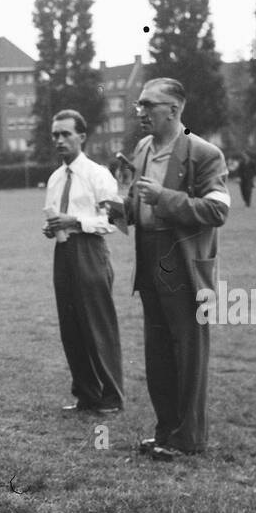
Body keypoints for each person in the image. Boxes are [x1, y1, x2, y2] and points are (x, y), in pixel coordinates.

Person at [118, 77, 229, 461]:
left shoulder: (204, 153)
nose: (141, 112)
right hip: (149, 255)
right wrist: (116, 207)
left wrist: (164, 198)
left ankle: (189, 438)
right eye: (139, 105)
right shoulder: (143, 148)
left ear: (174, 110)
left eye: (149, 105)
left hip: (182, 262)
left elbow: (218, 210)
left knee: (188, 352)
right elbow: (136, 207)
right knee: (158, 351)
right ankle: (165, 431)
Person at [42, 109, 124, 416]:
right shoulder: (55, 178)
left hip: (90, 251)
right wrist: (52, 228)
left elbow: (113, 221)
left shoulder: (97, 174)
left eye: (66, 134)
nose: (60, 140)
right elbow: (54, 215)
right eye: (55, 135)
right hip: (63, 254)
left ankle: (112, 396)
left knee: (97, 324)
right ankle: (86, 394)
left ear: (82, 137)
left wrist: (75, 220)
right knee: (71, 326)